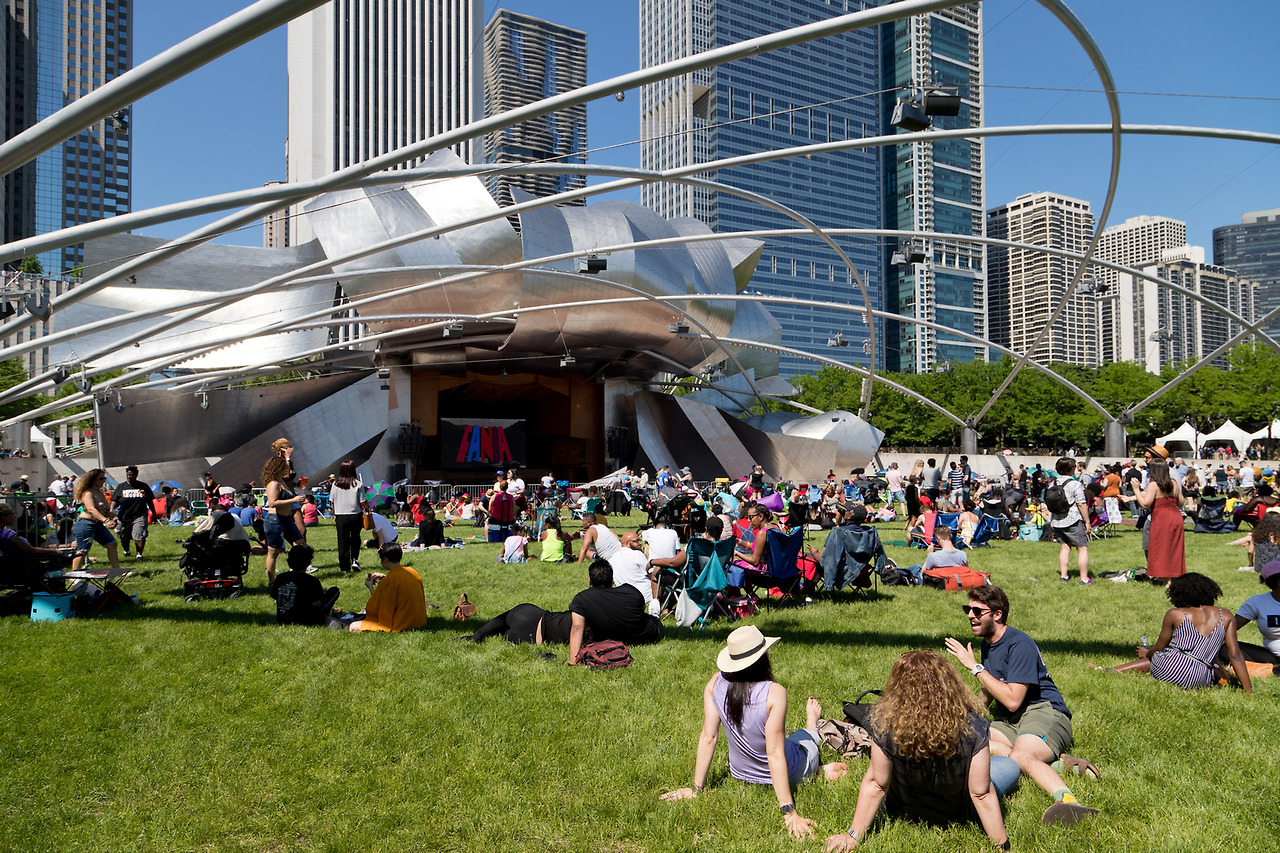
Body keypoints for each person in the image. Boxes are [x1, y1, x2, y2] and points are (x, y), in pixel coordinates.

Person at [660, 625, 846, 841]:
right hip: (791, 772)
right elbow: (774, 754)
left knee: (789, 740)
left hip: (740, 772)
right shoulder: (774, 693)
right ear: (762, 658)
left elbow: (708, 737)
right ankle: (813, 730)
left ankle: (813, 752)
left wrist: (696, 789)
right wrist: (789, 813)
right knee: (805, 740)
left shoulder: (714, 683)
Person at [823, 650, 1013, 852]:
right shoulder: (973, 726)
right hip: (959, 813)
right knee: (1010, 764)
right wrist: (1002, 845)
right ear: (949, 683)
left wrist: (853, 835)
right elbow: (981, 794)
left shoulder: (885, 724)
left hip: (902, 809)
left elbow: (877, 784)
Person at [945, 585, 1100, 825]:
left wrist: (975, 667)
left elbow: (1012, 700)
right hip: (1012, 721)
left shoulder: (1019, 645)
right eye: (968, 609)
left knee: (1021, 754)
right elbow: (991, 687)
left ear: (997, 614)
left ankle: (1070, 803)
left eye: (977, 611)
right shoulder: (989, 643)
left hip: (1044, 712)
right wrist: (966, 716)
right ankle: (1055, 764)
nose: (970, 615)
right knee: (969, 741)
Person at [462, 559, 663, 661]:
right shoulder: (630, 593)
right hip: (531, 636)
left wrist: (573, 659)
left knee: (508, 617)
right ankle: (480, 635)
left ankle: (478, 635)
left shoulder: (583, 599)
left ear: (590, 581)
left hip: (536, 620)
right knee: (506, 630)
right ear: (612, 580)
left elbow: (577, 628)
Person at [1089, 573, 1252, 693]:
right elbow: (1235, 655)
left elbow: (1159, 648)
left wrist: (1147, 652)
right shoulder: (1226, 615)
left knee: (1159, 656)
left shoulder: (1176, 614)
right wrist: (1249, 691)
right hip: (1200, 677)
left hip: (1169, 669)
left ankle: (1110, 670)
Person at [347, 543, 427, 633]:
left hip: (401, 624)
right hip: (419, 621)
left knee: (353, 626)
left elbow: (381, 607)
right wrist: (385, 577)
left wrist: (370, 587)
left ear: (385, 559)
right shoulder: (411, 571)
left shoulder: (390, 580)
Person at [1138, 456, 1185, 584]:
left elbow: (1145, 504)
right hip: (1175, 516)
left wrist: (1136, 490)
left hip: (1161, 517)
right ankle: (1176, 576)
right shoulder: (1173, 483)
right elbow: (1181, 502)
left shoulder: (1153, 485)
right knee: (1175, 548)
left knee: (1161, 548)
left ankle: (1166, 581)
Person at [270, 544, 340, 626]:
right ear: (308, 562)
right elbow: (316, 605)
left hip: (283, 618)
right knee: (335, 591)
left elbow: (275, 596)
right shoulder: (311, 581)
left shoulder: (280, 578)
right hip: (306, 619)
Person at [69, 468, 122, 576]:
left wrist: (110, 515)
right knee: (83, 550)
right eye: (101, 478)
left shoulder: (99, 492)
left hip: (97, 524)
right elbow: (91, 509)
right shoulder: (87, 493)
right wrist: (106, 521)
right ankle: (74, 575)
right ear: (93, 479)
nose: (104, 481)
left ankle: (117, 571)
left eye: (104, 478)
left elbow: (101, 510)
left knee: (112, 545)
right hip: (85, 524)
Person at [262, 455, 306, 584]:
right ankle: (272, 581)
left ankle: (294, 574)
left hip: (286, 519)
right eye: (285, 467)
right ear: (278, 468)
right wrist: (294, 500)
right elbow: (272, 502)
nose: (287, 469)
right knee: (274, 552)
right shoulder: (273, 484)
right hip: (275, 520)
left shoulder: (282, 482)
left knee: (300, 545)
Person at [1048, 456, 1092, 584]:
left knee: (1065, 548)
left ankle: (1064, 576)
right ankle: (1084, 578)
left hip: (1057, 520)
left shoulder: (1053, 483)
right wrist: (1087, 522)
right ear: (1071, 469)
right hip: (1073, 520)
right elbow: (1081, 504)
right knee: (1082, 548)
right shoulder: (1075, 484)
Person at [1233, 559, 1280, 667]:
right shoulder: (1257, 602)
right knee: (1224, 646)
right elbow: (1231, 628)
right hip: (1270, 656)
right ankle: (1258, 668)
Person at [329, 460, 366, 573]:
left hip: (340, 515)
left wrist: (335, 514)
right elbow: (362, 502)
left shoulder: (335, 484)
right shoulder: (358, 484)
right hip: (355, 514)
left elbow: (332, 501)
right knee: (355, 539)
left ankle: (345, 567)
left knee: (342, 541)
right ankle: (354, 560)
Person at [112, 465, 155, 560]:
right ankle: (126, 550)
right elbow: (114, 500)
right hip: (124, 516)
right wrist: (111, 512)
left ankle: (139, 554)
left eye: (131, 475)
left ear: (136, 475)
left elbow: (150, 501)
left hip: (139, 515)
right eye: (127, 475)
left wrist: (154, 513)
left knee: (139, 534)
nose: (129, 477)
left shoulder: (143, 486)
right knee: (123, 535)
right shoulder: (121, 487)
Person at [615, 530, 659, 615]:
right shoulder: (637, 554)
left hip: (626, 597)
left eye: (640, 540)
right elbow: (651, 574)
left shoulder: (614, 557)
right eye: (636, 541)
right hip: (646, 595)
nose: (640, 543)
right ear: (627, 544)